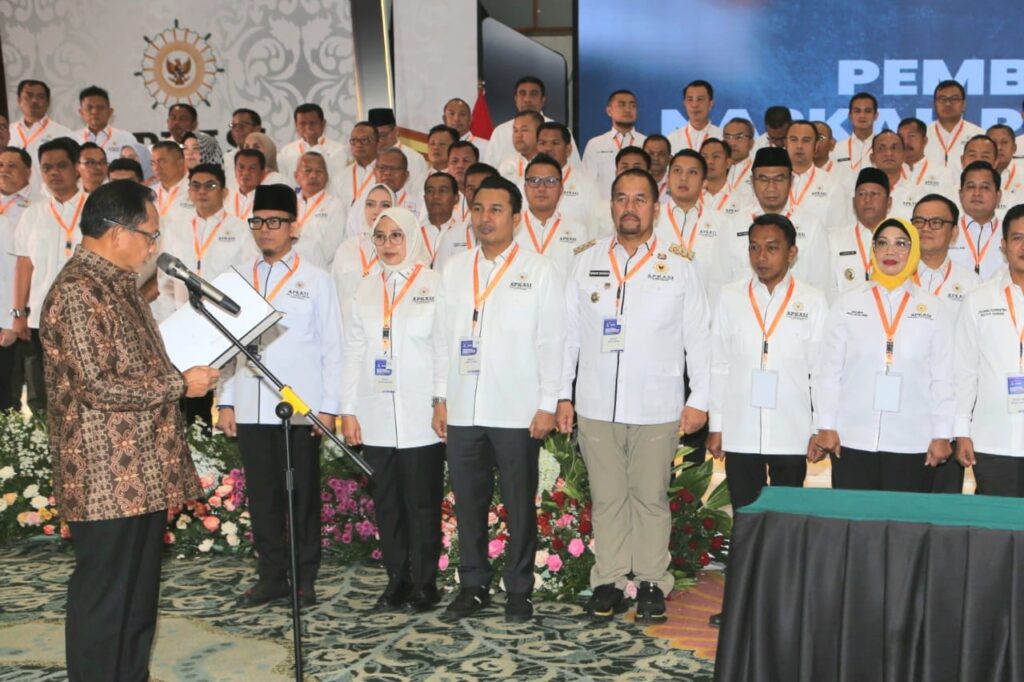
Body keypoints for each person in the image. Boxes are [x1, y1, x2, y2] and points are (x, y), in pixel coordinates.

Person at [40, 179, 219, 681]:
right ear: (118, 232)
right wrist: (178, 384)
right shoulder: (78, 290)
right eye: (150, 234)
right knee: (105, 601)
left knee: (137, 602)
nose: (153, 247)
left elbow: (135, 367)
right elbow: (96, 384)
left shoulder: (118, 285)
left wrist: (178, 371)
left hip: (139, 471)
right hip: (103, 476)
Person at [556, 168, 710, 623]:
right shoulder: (585, 261)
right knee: (607, 498)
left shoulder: (678, 265)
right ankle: (608, 579)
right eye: (622, 198)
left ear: (655, 209)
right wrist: (562, 395)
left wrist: (700, 398)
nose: (630, 207)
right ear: (611, 205)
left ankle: (650, 581)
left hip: (656, 403)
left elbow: (699, 337)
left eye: (640, 199)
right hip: (596, 402)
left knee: (649, 497)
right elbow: (568, 336)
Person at [433, 175, 565, 623]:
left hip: (517, 409)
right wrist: (439, 397)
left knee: (518, 503)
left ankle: (519, 589)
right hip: (463, 407)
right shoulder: (454, 268)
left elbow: (553, 341)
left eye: (495, 209)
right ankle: (472, 585)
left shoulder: (539, 270)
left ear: (516, 217)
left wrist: (548, 402)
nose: (484, 218)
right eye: (478, 209)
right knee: (468, 502)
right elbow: (441, 340)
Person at [218, 184, 343, 608]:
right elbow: (227, 346)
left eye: (275, 221)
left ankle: (304, 579)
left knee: (300, 496)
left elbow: (332, 347)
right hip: (251, 405)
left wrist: (329, 408)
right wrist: (226, 400)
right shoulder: (238, 278)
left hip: (300, 408)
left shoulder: (317, 279)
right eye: (258, 221)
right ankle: (271, 577)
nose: (265, 229)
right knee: (263, 497)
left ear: (294, 226)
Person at [340, 207, 446, 611]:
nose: (387, 244)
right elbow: (354, 350)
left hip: (420, 412)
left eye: (396, 235)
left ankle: (425, 583)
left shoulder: (434, 283)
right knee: (387, 503)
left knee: (421, 502)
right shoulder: (366, 287)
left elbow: (442, 349)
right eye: (380, 236)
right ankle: (397, 580)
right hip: (376, 412)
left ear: (412, 237)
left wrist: (440, 400)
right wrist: (348, 410)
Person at [811, 217, 954, 491]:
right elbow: (828, 371)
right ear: (873, 249)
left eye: (901, 244)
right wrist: (825, 425)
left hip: (913, 440)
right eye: (883, 243)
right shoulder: (847, 303)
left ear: (913, 250)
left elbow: (944, 377)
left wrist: (942, 434)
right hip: (852, 438)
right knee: (854, 515)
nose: (891, 251)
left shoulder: (933, 308)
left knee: (904, 517)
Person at [707, 213, 826, 509]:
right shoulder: (729, 297)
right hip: (740, 429)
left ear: (792, 253)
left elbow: (821, 372)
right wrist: (717, 425)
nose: (761, 257)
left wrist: (820, 427)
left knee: (786, 517)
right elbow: (719, 365)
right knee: (746, 515)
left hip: (792, 429)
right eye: (754, 247)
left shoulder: (813, 300)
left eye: (772, 248)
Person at [911, 193, 982, 494]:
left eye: (936, 222)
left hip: (952, 404)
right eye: (919, 221)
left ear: (954, 232)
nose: (926, 228)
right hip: (907, 405)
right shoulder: (895, 280)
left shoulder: (973, 285)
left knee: (943, 502)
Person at [11, 137, 86, 413]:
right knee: (41, 393)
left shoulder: (94, 209)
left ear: (77, 167)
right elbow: (24, 264)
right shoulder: (33, 213)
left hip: (85, 317)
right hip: (40, 319)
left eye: (61, 166)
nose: (54, 173)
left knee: (81, 391)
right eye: (47, 168)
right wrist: (18, 313)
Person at [954, 204, 1024, 497]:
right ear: (1004, 245)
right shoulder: (978, 299)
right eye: (1018, 237)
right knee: (997, 521)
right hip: (993, 439)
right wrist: (961, 431)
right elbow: (964, 370)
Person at [713, 147, 830, 296]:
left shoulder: (812, 225)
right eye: (763, 179)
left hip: (797, 308)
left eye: (779, 179)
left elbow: (821, 285)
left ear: (791, 180)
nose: (771, 187)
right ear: (752, 181)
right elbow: (718, 283)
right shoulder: (732, 225)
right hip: (743, 309)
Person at [514, 154, 588, 280]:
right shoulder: (511, 227)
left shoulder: (578, 231)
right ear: (525, 187)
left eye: (550, 181)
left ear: (561, 189)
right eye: (534, 181)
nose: (541, 188)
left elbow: (582, 275)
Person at [655, 150, 721, 291]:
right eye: (677, 171)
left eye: (692, 172)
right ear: (667, 179)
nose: (683, 178)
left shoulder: (721, 223)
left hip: (706, 301)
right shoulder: (650, 219)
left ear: (704, 183)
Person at [483, 76, 582, 169]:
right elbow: (489, 170)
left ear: (543, 100)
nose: (527, 99)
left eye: (533, 94)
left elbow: (575, 170)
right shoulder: (501, 132)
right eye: (522, 94)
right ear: (515, 99)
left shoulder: (560, 130)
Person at [331, 183, 393, 330]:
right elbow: (334, 294)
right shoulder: (347, 248)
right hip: (348, 329)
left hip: (385, 328)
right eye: (370, 204)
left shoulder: (401, 249)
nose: (377, 210)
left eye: (385, 205)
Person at [826, 168, 891, 301]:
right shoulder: (834, 240)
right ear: (853, 202)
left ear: (889, 202)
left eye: (875, 194)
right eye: (861, 194)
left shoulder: (901, 240)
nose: (867, 199)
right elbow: (828, 288)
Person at [10, 79, 72, 193]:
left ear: (48, 102)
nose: (34, 100)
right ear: (18, 100)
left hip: (48, 198)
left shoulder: (64, 133)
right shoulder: (8, 132)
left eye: (40, 97)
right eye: (29, 96)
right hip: (10, 198)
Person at [432, 163, 497, 271]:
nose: (476, 194)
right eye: (471, 189)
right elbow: (439, 277)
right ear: (465, 192)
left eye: (482, 188)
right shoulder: (451, 236)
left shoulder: (510, 234)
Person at [582, 89, 646, 200]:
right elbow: (587, 183)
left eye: (633, 105)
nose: (628, 109)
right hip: (604, 207)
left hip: (639, 206)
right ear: (609, 111)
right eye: (622, 105)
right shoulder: (595, 144)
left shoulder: (646, 143)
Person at [291, 151, 348, 267]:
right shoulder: (287, 203)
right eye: (307, 170)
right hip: (286, 268)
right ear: (296, 176)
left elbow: (331, 247)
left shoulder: (335, 205)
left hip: (318, 269)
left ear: (326, 177)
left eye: (319, 171)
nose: (313, 175)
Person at [536, 121, 599, 225]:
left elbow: (596, 227)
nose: (547, 148)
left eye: (555, 143)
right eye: (542, 143)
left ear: (568, 149)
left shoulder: (587, 185)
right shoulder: (525, 183)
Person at [950, 160, 1005, 278]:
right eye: (971, 186)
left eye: (985, 187)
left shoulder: (1009, 232)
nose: (977, 193)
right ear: (960, 194)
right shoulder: (947, 231)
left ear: (998, 196)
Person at [276, 103, 348, 189]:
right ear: (296, 125)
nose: (308, 127)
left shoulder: (339, 150)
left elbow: (336, 178)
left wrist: (314, 144)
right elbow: (284, 182)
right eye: (302, 124)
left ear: (323, 124)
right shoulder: (286, 151)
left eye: (312, 123)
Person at [785, 120, 842, 226]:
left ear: (816, 145)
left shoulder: (832, 183)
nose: (799, 146)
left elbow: (839, 228)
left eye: (806, 140)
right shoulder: (772, 181)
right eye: (794, 139)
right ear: (786, 144)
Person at [924, 80, 984, 175]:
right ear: (934, 104)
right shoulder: (923, 135)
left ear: (964, 105)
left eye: (954, 99)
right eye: (942, 99)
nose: (948, 103)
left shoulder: (979, 135)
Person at [370, 107, 430, 190]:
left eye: (383, 135)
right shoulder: (368, 158)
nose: (379, 140)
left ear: (396, 130)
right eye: (374, 136)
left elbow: (420, 190)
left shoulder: (414, 158)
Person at [73, 85, 138, 161]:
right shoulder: (72, 139)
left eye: (100, 107)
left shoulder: (127, 138)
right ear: (81, 112)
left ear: (110, 112)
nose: (94, 112)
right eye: (89, 107)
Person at [830, 93, 878, 182]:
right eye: (857, 111)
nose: (862, 115)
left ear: (876, 115)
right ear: (850, 115)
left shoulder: (882, 148)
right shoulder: (837, 147)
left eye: (867, 111)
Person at [667, 80, 722, 152]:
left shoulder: (722, 137)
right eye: (690, 99)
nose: (694, 105)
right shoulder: (672, 139)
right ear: (684, 104)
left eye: (700, 99)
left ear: (710, 104)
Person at [338, 122, 380, 208]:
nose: (358, 144)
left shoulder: (386, 174)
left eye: (364, 140)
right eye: (354, 141)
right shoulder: (340, 177)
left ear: (377, 143)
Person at [421, 172, 460, 264]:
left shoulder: (464, 233)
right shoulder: (412, 232)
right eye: (430, 191)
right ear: (424, 198)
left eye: (442, 191)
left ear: (456, 198)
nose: (436, 196)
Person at [497, 110, 543, 185]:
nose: (518, 135)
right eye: (515, 130)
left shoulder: (552, 165)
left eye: (524, 130)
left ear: (540, 133)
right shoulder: (507, 165)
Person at [149, 141, 193, 218]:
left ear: (180, 162)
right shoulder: (149, 193)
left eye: (161, 162)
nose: (156, 168)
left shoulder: (196, 190)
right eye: (153, 163)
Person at [700, 137, 741, 219]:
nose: (709, 161)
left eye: (716, 156)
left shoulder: (742, 199)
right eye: (704, 157)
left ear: (728, 163)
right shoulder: (689, 197)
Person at [223, 108, 264, 187]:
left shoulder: (270, 157)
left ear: (257, 129)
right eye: (233, 126)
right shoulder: (226, 159)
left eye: (242, 125)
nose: (237, 129)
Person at [228, 148, 267, 221]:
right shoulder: (226, 198)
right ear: (234, 171)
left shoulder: (268, 201)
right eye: (241, 167)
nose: (245, 173)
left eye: (252, 168)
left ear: (262, 173)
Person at [1, 146, 34, 228]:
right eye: (0, 165)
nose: (4, 170)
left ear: (28, 172)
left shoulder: (42, 204)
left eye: (11, 165)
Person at [643, 134, 672, 198]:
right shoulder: (635, 182)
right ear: (642, 157)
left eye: (661, 154)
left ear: (670, 158)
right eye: (650, 153)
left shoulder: (677, 183)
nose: (655, 158)